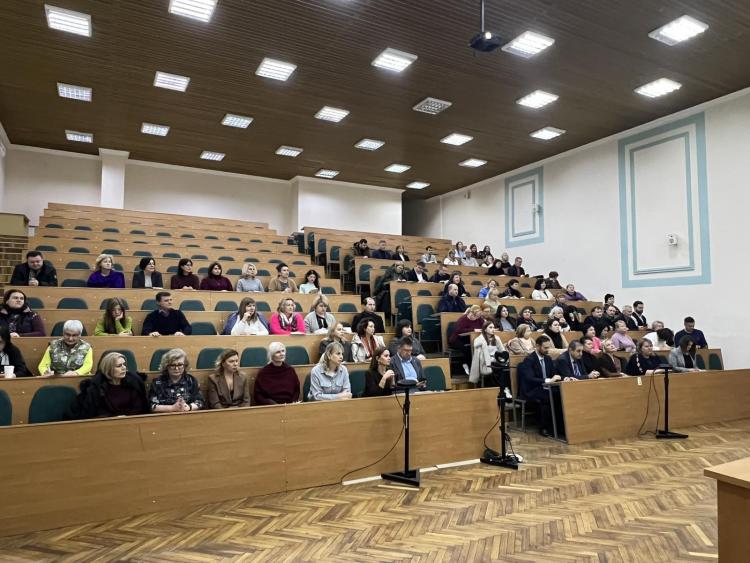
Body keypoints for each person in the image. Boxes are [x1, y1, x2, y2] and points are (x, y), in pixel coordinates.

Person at [65, 352, 149, 419]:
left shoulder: (133, 382)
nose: (123, 368)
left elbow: (139, 407)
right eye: (119, 366)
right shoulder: (97, 387)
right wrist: (114, 418)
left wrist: (126, 418)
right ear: (108, 369)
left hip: (132, 421)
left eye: (124, 364)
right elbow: (95, 411)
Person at [517, 335, 560, 437]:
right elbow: (530, 379)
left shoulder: (548, 358)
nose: (548, 350)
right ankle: (544, 427)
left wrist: (560, 378)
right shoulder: (529, 360)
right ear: (537, 346)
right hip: (531, 390)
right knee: (546, 397)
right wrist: (548, 380)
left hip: (545, 388)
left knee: (559, 394)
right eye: (545, 348)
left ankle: (558, 426)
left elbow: (554, 374)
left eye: (549, 347)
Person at [469, 320, 506, 385]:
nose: (493, 329)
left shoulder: (496, 338)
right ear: (485, 329)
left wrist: (503, 358)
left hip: (496, 360)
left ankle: (501, 388)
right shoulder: (479, 340)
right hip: (484, 363)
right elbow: (479, 356)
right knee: (496, 368)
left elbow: (502, 350)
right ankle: (499, 388)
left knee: (503, 367)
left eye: (493, 327)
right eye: (490, 327)